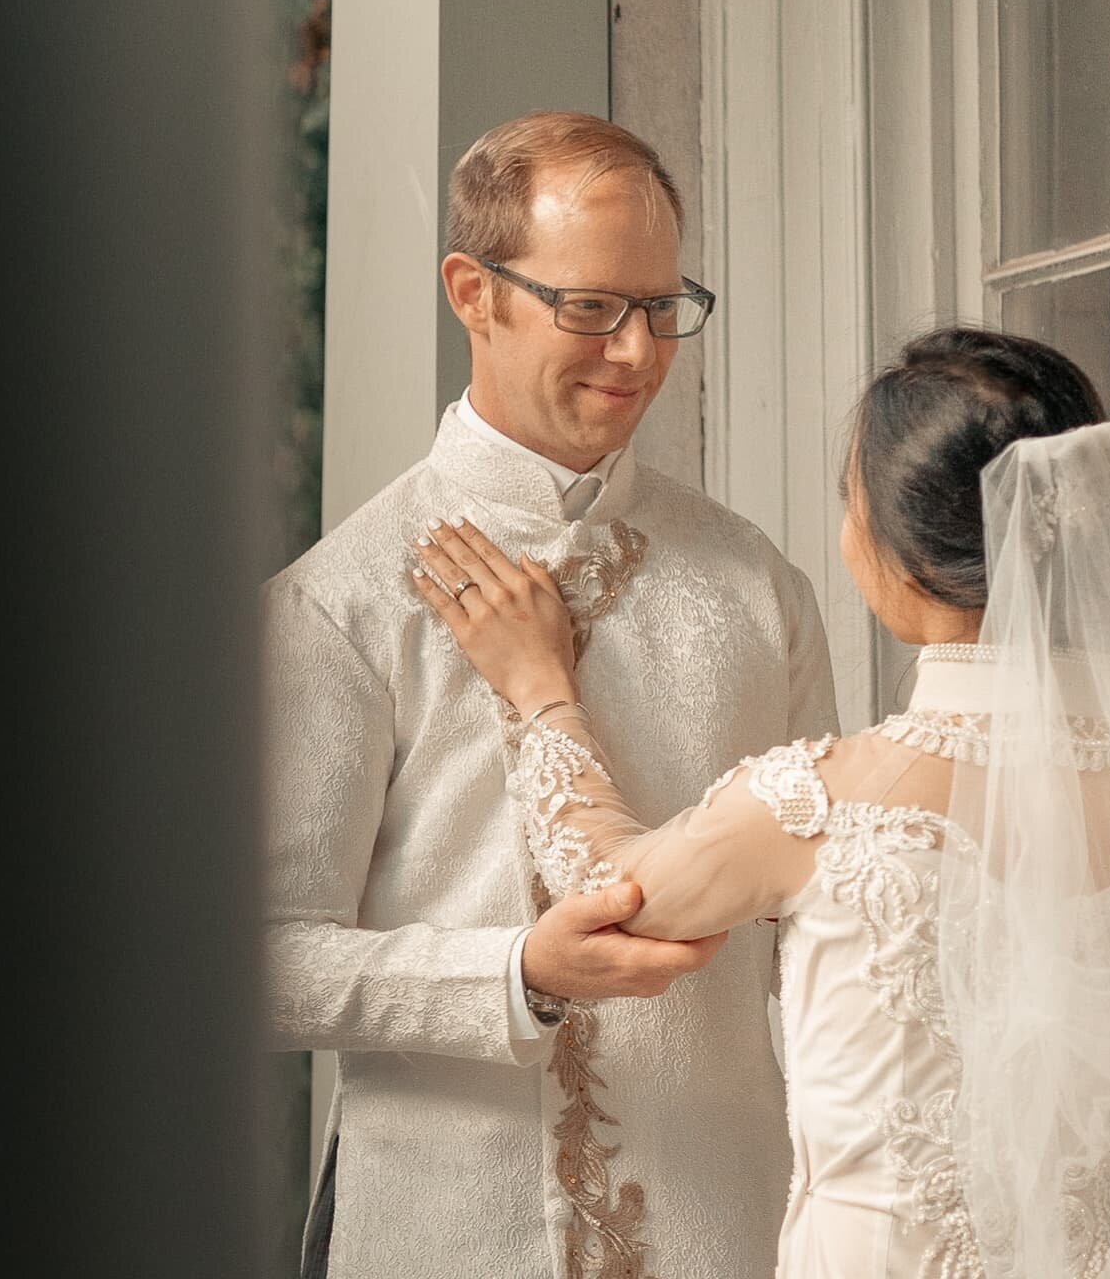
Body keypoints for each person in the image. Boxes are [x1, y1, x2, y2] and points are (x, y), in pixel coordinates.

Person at [416, 326, 1110, 1278]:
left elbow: (604, 885)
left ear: (899, 555)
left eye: (850, 502)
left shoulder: (821, 807)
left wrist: (540, 689)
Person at [262, 111, 838, 1279]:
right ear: (473, 291)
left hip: (732, 1231)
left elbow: (814, 929)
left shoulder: (756, 583)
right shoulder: (340, 601)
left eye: (661, 308)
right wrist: (515, 976)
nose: (636, 352)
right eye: (590, 307)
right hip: (442, 1236)